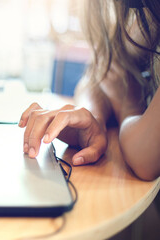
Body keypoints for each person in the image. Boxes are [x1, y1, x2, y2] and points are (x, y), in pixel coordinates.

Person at [19, 0, 160, 181]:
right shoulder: (147, 19)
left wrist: (128, 104)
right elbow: (98, 74)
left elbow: (145, 157)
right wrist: (92, 117)